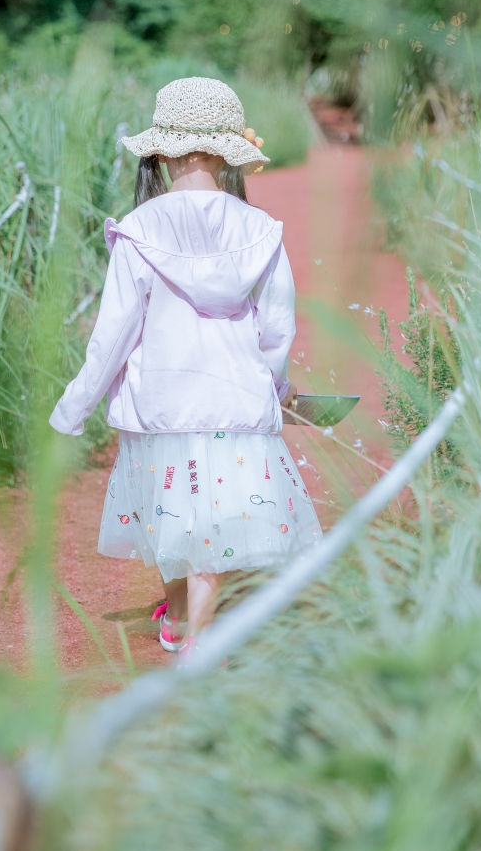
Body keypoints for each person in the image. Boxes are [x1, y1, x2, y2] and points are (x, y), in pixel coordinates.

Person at [50, 76, 321, 655]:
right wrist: (272, 386)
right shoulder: (260, 232)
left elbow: (112, 336)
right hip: (234, 403)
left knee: (168, 514)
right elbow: (275, 330)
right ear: (227, 153)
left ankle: (180, 623)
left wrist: (73, 410)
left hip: (161, 407)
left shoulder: (140, 229)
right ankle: (198, 629)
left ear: (163, 150)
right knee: (216, 528)